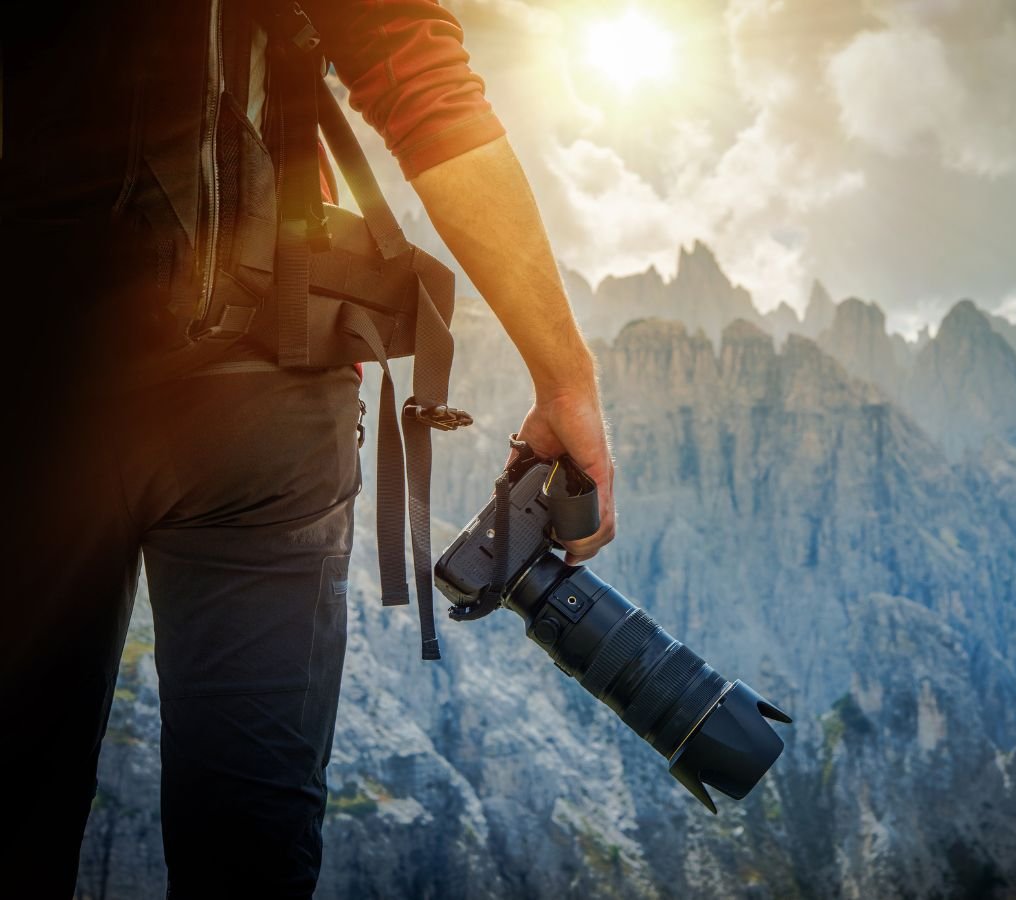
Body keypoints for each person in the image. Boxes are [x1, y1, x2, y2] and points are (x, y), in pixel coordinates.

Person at [1, 1, 614, 895]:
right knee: (251, 848)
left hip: (30, 392)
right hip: (262, 381)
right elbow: (421, 83)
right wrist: (565, 380)